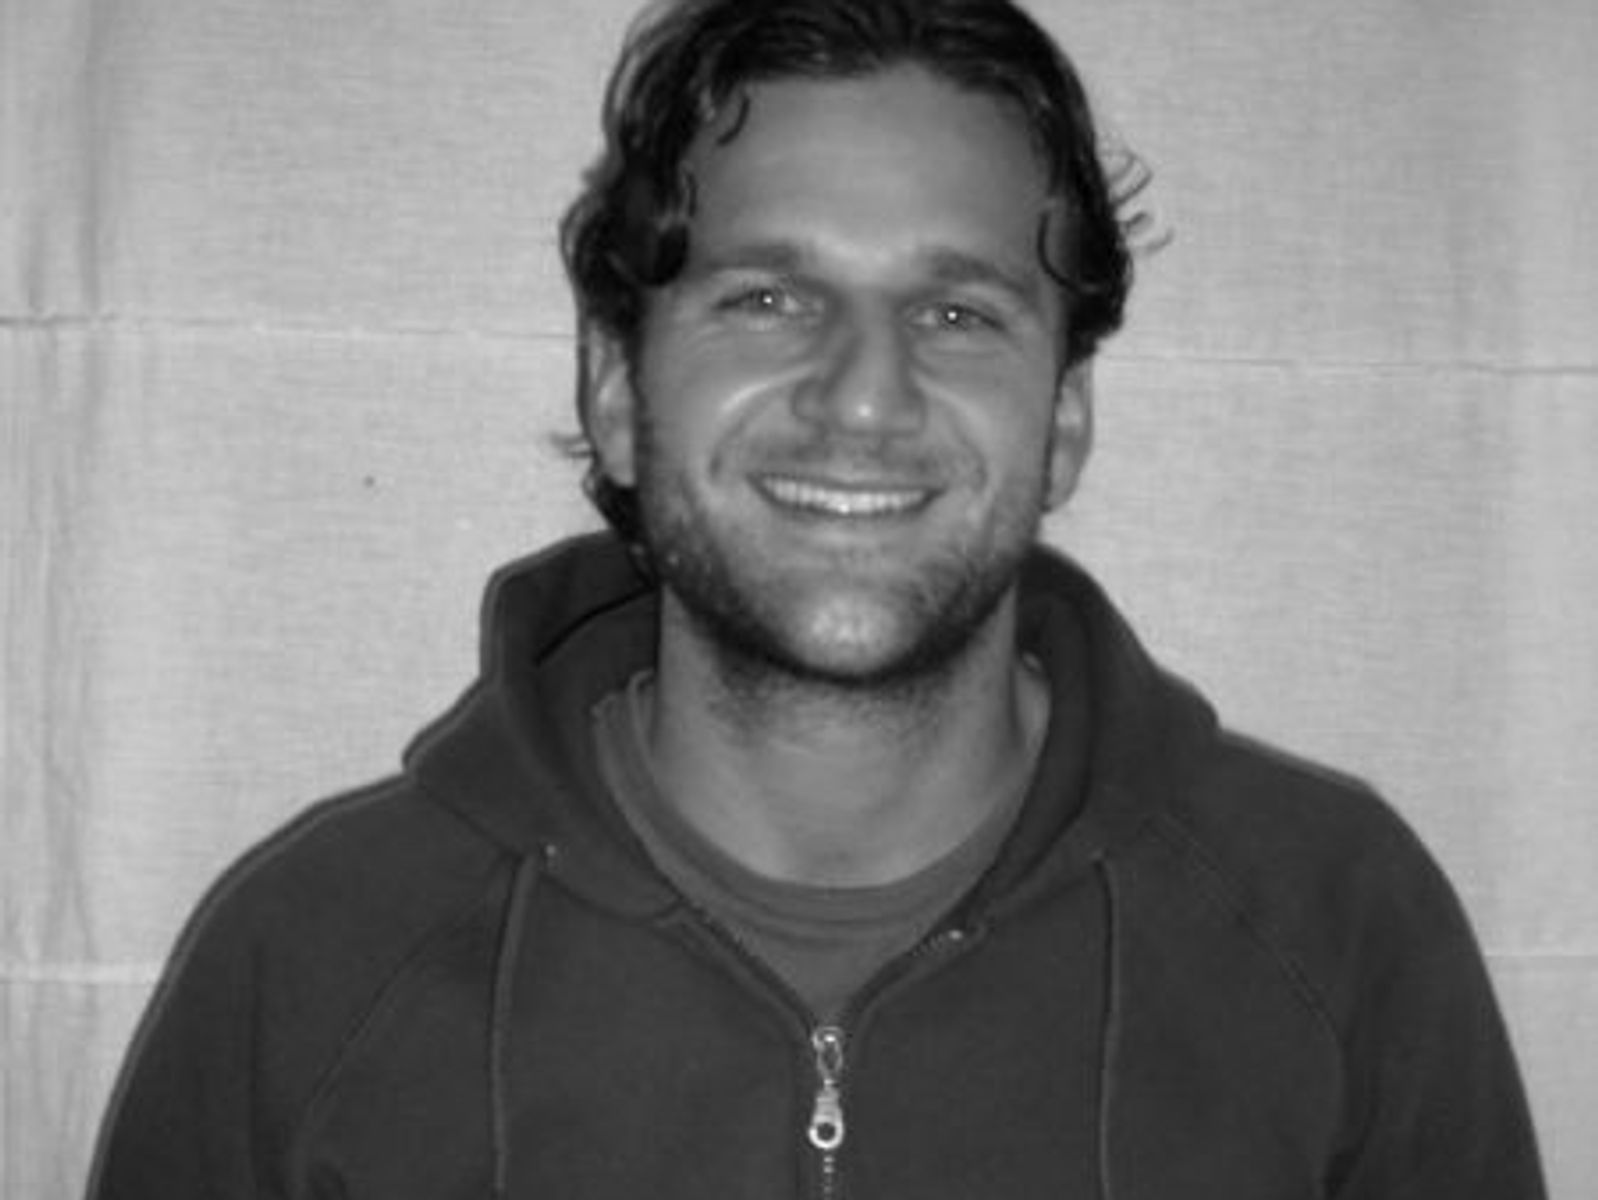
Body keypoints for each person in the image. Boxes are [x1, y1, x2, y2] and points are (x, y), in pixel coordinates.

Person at [90, 0, 1545, 1196]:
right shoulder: (315, 957)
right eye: (768, 299)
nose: (862, 395)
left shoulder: (1337, 930)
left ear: (1065, 420)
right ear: (616, 392)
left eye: (957, 312)